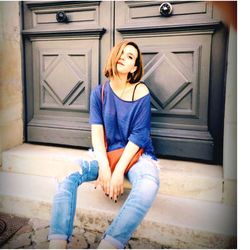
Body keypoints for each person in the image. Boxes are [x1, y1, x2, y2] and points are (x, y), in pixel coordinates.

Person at [48, 40, 160, 249]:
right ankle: (57, 242)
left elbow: (138, 135)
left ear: (134, 68)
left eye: (130, 57)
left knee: (148, 185)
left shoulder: (141, 91)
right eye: (121, 53)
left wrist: (117, 172)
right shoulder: (98, 93)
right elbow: (97, 135)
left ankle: (109, 244)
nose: (123, 58)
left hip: (137, 156)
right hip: (106, 154)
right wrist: (105, 167)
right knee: (66, 174)